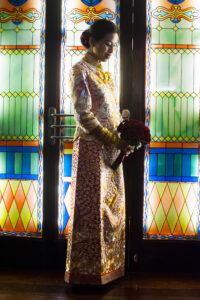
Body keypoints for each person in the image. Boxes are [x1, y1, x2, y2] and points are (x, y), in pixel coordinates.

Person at [65, 19, 134, 285]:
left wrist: (124, 136)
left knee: (112, 208)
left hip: (111, 151)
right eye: (107, 44)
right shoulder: (79, 70)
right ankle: (87, 273)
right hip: (92, 150)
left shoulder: (104, 72)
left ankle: (110, 268)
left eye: (113, 46)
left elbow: (111, 113)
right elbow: (83, 115)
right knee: (93, 210)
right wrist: (112, 140)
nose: (110, 50)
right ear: (92, 41)